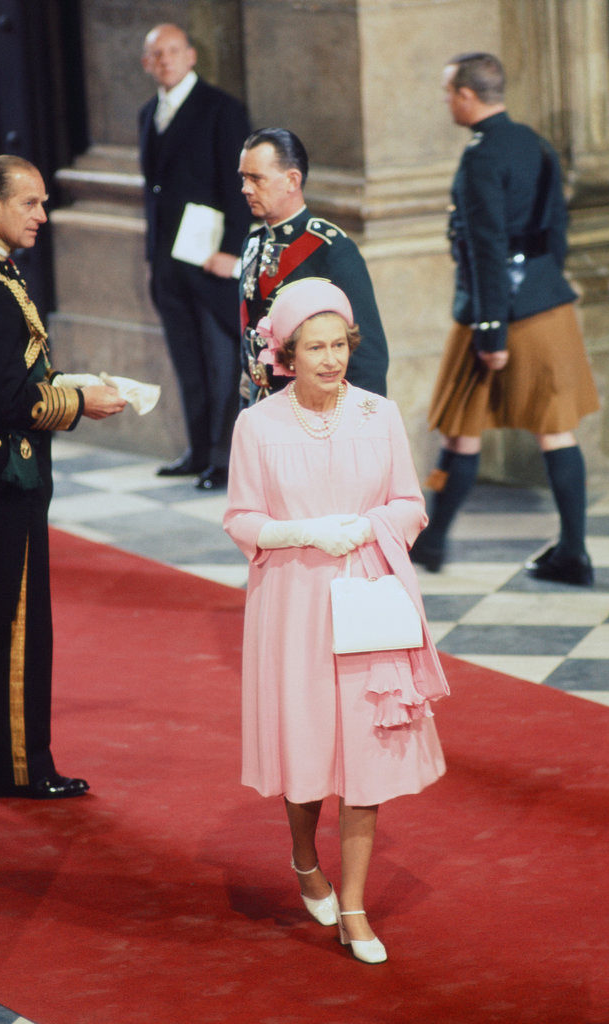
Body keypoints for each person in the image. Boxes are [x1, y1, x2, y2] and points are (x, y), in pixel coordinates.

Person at [223, 279, 448, 963]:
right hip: (291, 604)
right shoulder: (257, 425)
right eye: (313, 347)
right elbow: (239, 520)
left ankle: (352, 905)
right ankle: (302, 858)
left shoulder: (378, 415)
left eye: (338, 345)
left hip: (366, 601)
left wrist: (369, 528)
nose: (330, 359)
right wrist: (306, 534)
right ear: (287, 354)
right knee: (306, 749)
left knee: (364, 755)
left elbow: (411, 501)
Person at [0, 155, 127, 798]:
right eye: (31, 204)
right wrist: (81, 403)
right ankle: (20, 768)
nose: (43, 215)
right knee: (13, 625)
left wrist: (62, 384)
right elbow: (15, 400)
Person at [410, 52, 600, 584]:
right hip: (548, 306)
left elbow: (485, 248)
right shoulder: (536, 143)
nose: (446, 101)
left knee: (460, 432)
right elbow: (557, 231)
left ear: (469, 96)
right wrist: (540, 284)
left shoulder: (480, 158)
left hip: (496, 315)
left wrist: (491, 328)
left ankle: (432, 542)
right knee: (557, 433)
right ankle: (574, 553)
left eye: (449, 92)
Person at [139, 23, 252, 490]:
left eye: (172, 51)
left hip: (212, 263)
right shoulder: (149, 113)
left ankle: (225, 460)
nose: (165, 60)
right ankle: (198, 451)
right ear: (148, 64)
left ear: (191, 56)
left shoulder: (222, 109)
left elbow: (239, 187)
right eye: (156, 55)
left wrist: (232, 251)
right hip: (168, 263)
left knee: (221, 361)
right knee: (188, 361)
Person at [238, 128, 389, 406]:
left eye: (256, 179)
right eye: (244, 178)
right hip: (262, 405)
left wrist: (364, 422)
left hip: (314, 410)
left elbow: (368, 354)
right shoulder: (253, 244)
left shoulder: (331, 249)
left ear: (292, 180)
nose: (245, 188)